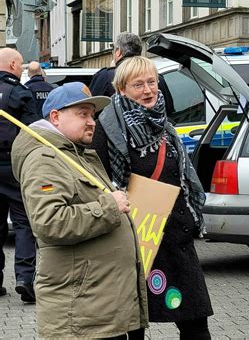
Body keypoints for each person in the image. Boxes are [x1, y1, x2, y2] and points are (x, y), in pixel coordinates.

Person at [11, 82, 148, 339]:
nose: (91, 122)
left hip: (100, 305)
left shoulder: (78, 154)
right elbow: (50, 222)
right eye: (82, 113)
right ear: (55, 117)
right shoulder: (45, 159)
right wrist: (109, 206)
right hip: (81, 312)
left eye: (92, 115)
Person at [92, 56, 213, 339]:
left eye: (152, 82)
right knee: (133, 326)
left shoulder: (165, 126)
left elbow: (183, 176)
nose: (148, 90)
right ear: (122, 89)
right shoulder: (108, 128)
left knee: (196, 323)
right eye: (138, 84)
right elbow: (99, 182)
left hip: (175, 240)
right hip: (136, 242)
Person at [0, 48, 38, 302]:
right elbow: (35, 131)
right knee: (23, 223)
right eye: (21, 66)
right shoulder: (20, 92)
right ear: (13, 65)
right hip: (12, 166)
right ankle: (24, 278)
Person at [89, 32, 142, 97]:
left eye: (113, 50)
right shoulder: (151, 73)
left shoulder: (106, 76)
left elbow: (92, 103)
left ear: (118, 51)